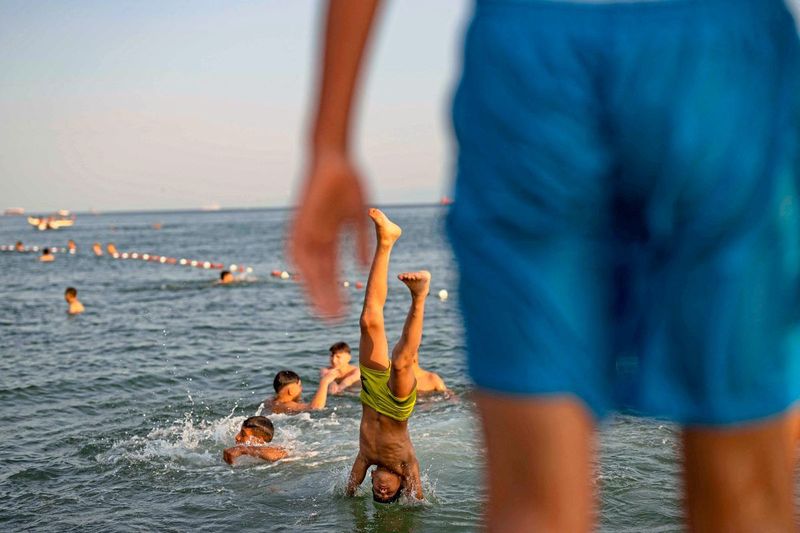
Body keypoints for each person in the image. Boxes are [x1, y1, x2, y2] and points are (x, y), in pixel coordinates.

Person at [289, 1, 800, 530]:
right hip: (722, 50)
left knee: (533, 504)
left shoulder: (391, 456)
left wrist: (330, 140)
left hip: (534, 55)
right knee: (749, 500)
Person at [343, 209, 428, 504]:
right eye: (388, 492)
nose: (382, 490)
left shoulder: (365, 458)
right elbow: (417, 501)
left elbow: (348, 491)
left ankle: (387, 240)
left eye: (378, 492)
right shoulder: (407, 465)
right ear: (399, 484)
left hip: (371, 393)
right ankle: (419, 296)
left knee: (368, 320)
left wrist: (349, 496)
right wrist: (411, 497)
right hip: (396, 407)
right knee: (403, 360)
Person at [265, 370, 338, 414]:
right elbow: (316, 408)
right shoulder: (288, 405)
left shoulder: (270, 401)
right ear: (291, 391)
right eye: (299, 386)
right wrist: (324, 382)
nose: (301, 388)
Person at [223, 416, 287, 465]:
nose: (237, 437)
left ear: (259, 440)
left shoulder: (276, 449)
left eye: (243, 434)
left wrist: (243, 449)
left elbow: (279, 454)